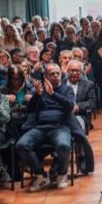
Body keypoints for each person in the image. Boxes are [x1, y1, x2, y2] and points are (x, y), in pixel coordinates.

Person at [16, 63, 76, 192]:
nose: (55, 76)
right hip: (40, 127)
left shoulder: (67, 89)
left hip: (60, 126)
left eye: (57, 73)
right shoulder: (39, 90)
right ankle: (41, 176)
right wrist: (37, 95)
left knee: (64, 146)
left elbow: (71, 106)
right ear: (45, 77)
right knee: (21, 145)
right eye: (52, 74)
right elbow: (30, 109)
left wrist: (53, 94)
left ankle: (61, 175)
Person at [66, 60, 96, 174]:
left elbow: (92, 103)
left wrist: (78, 107)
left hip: (80, 116)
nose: (74, 73)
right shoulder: (61, 84)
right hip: (63, 116)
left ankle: (81, 154)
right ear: (67, 71)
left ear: (82, 72)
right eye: (72, 71)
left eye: (77, 71)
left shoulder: (88, 84)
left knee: (77, 126)